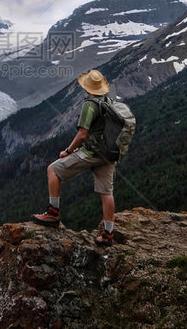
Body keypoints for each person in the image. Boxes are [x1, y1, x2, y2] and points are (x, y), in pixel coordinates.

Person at [32, 69, 116, 246]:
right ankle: (108, 234)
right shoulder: (109, 101)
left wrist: (68, 151)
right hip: (108, 153)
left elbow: (83, 134)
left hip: (91, 152)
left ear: (88, 88)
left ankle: (53, 213)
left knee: (53, 169)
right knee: (107, 192)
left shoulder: (90, 104)